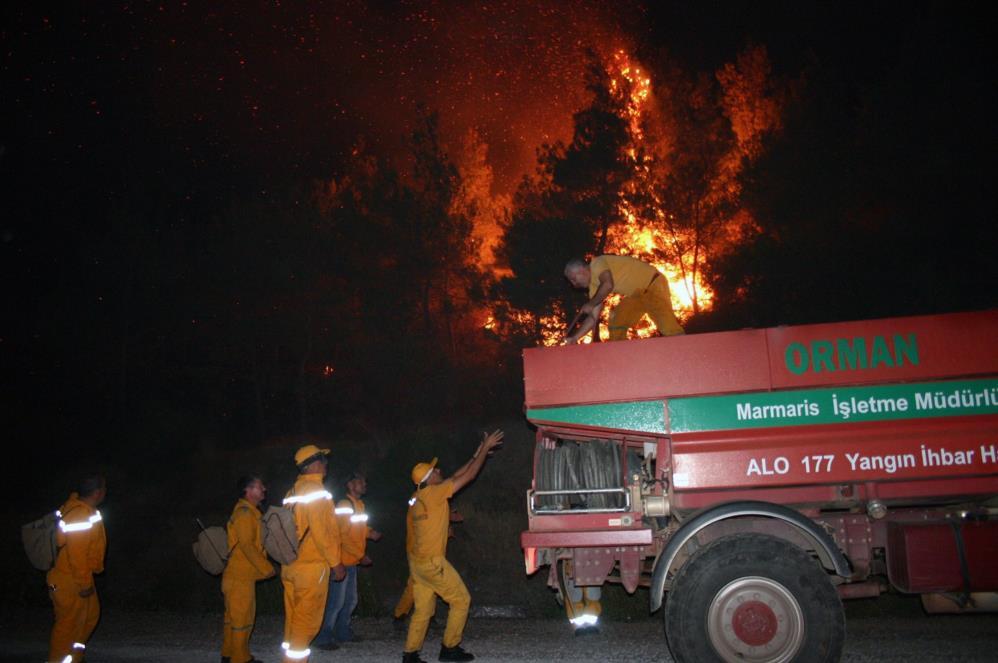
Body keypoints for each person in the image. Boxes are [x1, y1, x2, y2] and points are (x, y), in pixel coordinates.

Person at [402, 430, 504, 663]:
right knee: (461, 600)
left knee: (423, 611)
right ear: (429, 478)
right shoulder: (435, 495)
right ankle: (449, 648)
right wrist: (486, 450)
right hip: (432, 563)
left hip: (417, 564)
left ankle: (410, 655)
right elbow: (467, 478)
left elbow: (459, 474)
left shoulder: (417, 496)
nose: (439, 470)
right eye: (434, 469)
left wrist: (477, 453)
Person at [280, 444, 346, 663]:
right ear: (314, 464)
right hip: (311, 567)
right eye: (323, 460)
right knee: (306, 624)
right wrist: (336, 563)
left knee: (293, 622)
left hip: (290, 565)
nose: (326, 464)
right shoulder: (316, 492)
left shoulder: (291, 492)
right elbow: (322, 533)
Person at [313, 471, 382, 650]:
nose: (364, 484)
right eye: (360, 482)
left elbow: (357, 527)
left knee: (350, 600)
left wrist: (370, 532)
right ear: (350, 485)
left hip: (351, 561)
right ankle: (323, 637)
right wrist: (361, 555)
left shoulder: (358, 504)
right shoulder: (345, 504)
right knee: (336, 601)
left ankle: (343, 632)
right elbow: (342, 535)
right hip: (342, 561)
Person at [48, 474, 107, 663]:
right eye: (104, 488)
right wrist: (83, 584)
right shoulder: (79, 515)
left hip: (78, 576)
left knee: (89, 617)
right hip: (69, 579)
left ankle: (75, 658)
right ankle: (59, 660)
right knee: (67, 626)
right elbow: (77, 555)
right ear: (98, 493)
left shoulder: (84, 510)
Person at [563, 255, 684, 343]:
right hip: (637, 295)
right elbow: (593, 317)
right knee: (616, 321)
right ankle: (621, 356)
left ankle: (683, 350)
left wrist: (591, 303)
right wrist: (575, 337)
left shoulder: (596, 263)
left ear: (582, 270)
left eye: (573, 278)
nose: (574, 284)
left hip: (653, 284)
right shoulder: (594, 288)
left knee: (667, 326)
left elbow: (608, 284)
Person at [221, 475, 276, 663]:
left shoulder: (250, 512)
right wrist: (266, 568)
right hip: (240, 577)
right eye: (260, 487)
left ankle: (228, 655)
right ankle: (241, 659)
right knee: (242, 621)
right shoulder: (245, 513)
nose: (264, 490)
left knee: (233, 621)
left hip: (237, 576)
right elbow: (246, 545)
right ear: (249, 490)